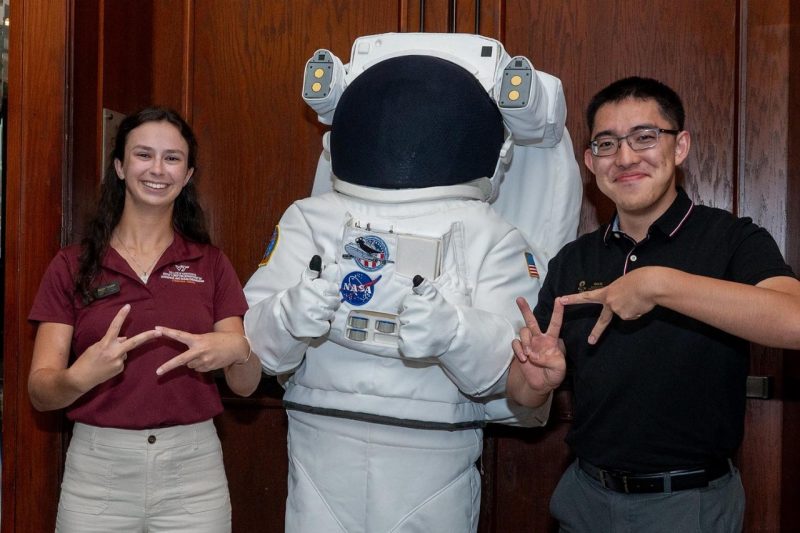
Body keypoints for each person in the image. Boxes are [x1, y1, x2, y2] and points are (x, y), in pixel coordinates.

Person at [244, 36, 582, 531]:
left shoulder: (491, 235)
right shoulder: (310, 219)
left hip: (432, 453)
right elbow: (250, 348)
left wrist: (456, 334)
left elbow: (514, 366)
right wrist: (287, 316)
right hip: (320, 439)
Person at [507, 76, 800, 532]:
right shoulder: (573, 259)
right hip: (584, 498)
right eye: (607, 144)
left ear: (679, 146)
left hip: (689, 506)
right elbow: (521, 395)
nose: (625, 157)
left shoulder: (732, 239)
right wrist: (536, 381)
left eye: (645, 137)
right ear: (590, 161)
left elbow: (794, 320)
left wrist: (659, 285)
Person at [27, 107, 262, 532]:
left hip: (193, 475)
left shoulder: (211, 264)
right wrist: (82, 376)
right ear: (119, 166)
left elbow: (243, 385)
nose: (158, 169)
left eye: (172, 158)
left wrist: (239, 349)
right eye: (143, 155)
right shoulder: (71, 265)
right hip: (99, 476)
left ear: (188, 174)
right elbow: (41, 392)